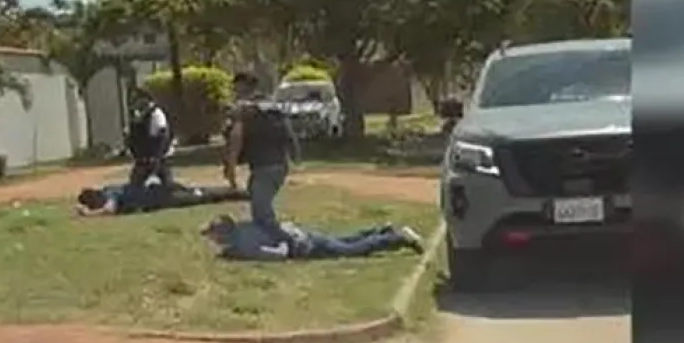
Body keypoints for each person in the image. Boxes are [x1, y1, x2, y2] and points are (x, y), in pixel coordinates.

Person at [223, 72, 300, 244]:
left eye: (236, 87)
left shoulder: (243, 109)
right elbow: (288, 132)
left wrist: (231, 168)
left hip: (266, 167)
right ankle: (275, 241)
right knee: (260, 208)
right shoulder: (270, 105)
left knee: (262, 213)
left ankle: (292, 244)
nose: (234, 91)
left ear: (243, 87)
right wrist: (295, 153)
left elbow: (236, 140)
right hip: (276, 165)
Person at [200, 215, 425, 261]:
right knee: (345, 240)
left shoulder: (244, 246)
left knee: (352, 250)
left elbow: (280, 255)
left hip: (304, 245)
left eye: (213, 236)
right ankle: (382, 230)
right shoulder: (246, 225)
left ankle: (398, 238)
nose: (213, 242)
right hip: (302, 234)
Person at [76, 180, 248, 217]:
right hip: (159, 190)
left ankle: (240, 193)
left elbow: (109, 209)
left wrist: (89, 215)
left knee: (201, 196)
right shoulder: (109, 188)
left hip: (161, 197)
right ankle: (238, 192)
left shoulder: (109, 194)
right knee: (200, 192)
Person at [125, 88, 175, 188]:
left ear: (145, 100)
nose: (135, 103)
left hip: (157, 159)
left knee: (167, 189)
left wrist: (157, 158)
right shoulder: (139, 116)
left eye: (137, 99)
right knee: (135, 188)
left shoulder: (156, 114)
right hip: (143, 159)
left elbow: (163, 137)